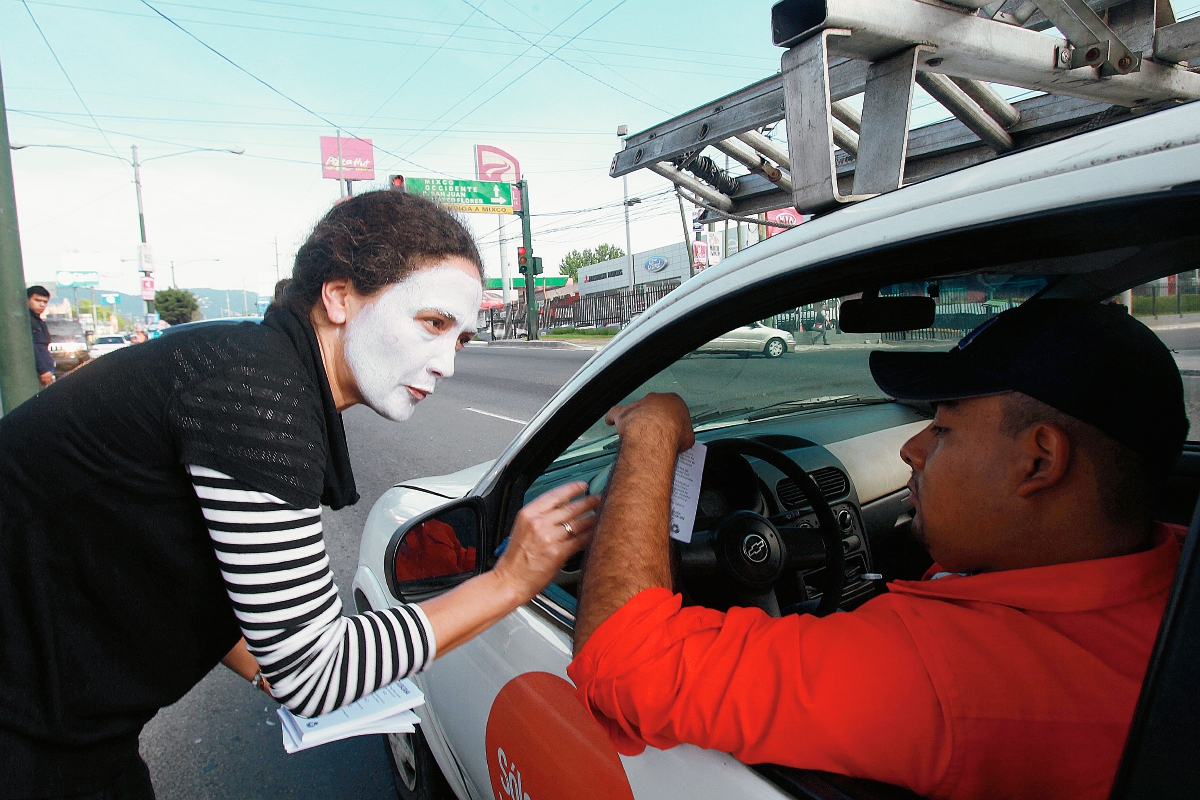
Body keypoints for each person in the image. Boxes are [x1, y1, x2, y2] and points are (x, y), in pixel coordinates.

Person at [0, 191, 599, 800]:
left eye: (462, 339)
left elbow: (175, 546)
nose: (446, 362)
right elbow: (315, 674)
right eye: (432, 323)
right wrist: (511, 581)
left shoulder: (256, 366)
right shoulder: (257, 395)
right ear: (339, 298)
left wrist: (261, 658)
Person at [568, 300, 1188, 800]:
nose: (910, 450)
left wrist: (652, 435)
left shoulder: (949, 677)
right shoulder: (1175, 573)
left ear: (1039, 460)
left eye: (943, 428)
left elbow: (620, 660)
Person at [27, 285, 55, 386]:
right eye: (37, 300)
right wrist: (43, 370)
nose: (42, 305)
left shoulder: (39, 322)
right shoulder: (27, 321)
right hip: (37, 374)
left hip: (45, 371)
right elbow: (31, 347)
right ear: (27, 300)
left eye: (45, 302)